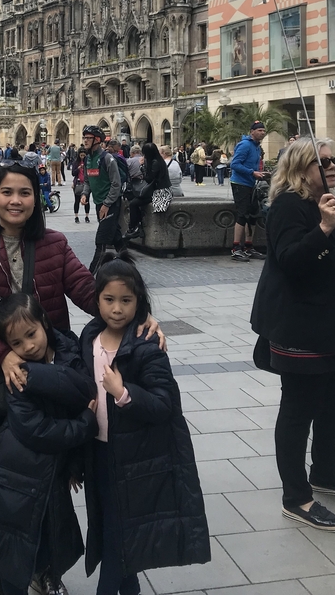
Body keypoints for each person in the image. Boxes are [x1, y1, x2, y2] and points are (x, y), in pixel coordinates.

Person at [0, 162, 166, 595]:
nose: (15, 201)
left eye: (24, 192)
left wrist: (139, 317)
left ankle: (45, 567)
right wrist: (2, 354)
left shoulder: (54, 243)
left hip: (46, 378)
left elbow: (87, 291)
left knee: (47, 477)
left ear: (36, 197)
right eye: (7, 192)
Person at [250, 137, 335, 532]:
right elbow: (290, 260)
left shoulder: (320, 205)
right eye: (325, 161)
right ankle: (296, 496)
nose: (333, 165)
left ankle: (325, 472)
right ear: (302, 170)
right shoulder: (287, 205)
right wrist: (325, 228)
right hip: (301, 329)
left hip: (332, 327)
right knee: (300, 410)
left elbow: (322, 259)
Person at [80, 252, 210, 595]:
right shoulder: (89, 338)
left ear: (140, 302)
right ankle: (132, 590)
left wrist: (123, 393)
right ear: (96, 300)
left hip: (136, 461)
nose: (117, 309)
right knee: (113, 529)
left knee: (116, 539)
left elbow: (164, 403)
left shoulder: (146, 346)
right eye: (109, 300)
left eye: (126, 300)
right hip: (99, 454)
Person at [0, 294, 97, 595]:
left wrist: (75, 464)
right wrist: (85, 425)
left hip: (54, 471)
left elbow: (83, 394)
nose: (28, 347)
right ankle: (7, 584)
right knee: (12, 539)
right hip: (17, 472)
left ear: (45, 323)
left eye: (31, 334)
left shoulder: (70, 351)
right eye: (17, 343)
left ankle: (47, 573)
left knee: (50, 529)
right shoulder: (18, 374)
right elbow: (36, 430)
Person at [81, 125, 123, 273]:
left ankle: (89, 276)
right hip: (99, 204)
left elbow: (116, 183)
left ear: (97, 140)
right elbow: (87, 180)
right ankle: (129, 268)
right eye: (84, 138)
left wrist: (106, 204)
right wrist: (85, 194)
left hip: (110, 204)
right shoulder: (87, 159)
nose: (85, 141)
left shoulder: (107, 158)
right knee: (117, 238)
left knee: (102, 241)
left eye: (88, 138)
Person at [229, 121, 268, 261]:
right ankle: (236, 248)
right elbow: (234, 164)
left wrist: (260, 173)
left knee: (253, 215)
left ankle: (248, 246)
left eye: (264, 130)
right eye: (259, 131)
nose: (262, 133)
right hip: (240, 183)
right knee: (242, 215)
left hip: (252, 184)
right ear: (252, 131)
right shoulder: (245, 145)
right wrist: (252, 173)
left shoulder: (257, 147)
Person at [125, 142, 171, 240]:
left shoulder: (155, 163)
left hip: (160, 193)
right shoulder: (158, 160)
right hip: (160, 190)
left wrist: (142, 166)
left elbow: (149, 179)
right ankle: (137, 227)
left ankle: (134, 228)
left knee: (134, 203)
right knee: (136, 201)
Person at [72, 148, 91, 223]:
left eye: (84, 155)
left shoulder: (88, 162)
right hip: (78, 184)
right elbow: (73, 173)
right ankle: (76, 216)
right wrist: (78, 168)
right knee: (77, 201)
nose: (82, 156)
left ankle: (87, 216)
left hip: (87, 184)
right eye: (81, 155)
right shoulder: (76, 163)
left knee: (87, 200)